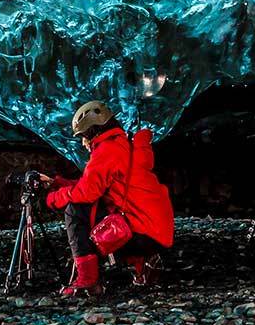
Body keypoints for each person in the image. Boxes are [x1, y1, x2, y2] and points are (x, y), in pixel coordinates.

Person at [46, 101, 175, 295]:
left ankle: (88, 280)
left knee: (75, 211)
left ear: (92, 131)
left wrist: (53, 199)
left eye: (83, 136)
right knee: (95, 208)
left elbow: (87, 192)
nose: (83, 143)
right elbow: (92, 184)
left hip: (141, 232)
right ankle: (143, 263)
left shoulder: (106, 150)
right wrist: (58, 183)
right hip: (156, 230)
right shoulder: (122, 144)